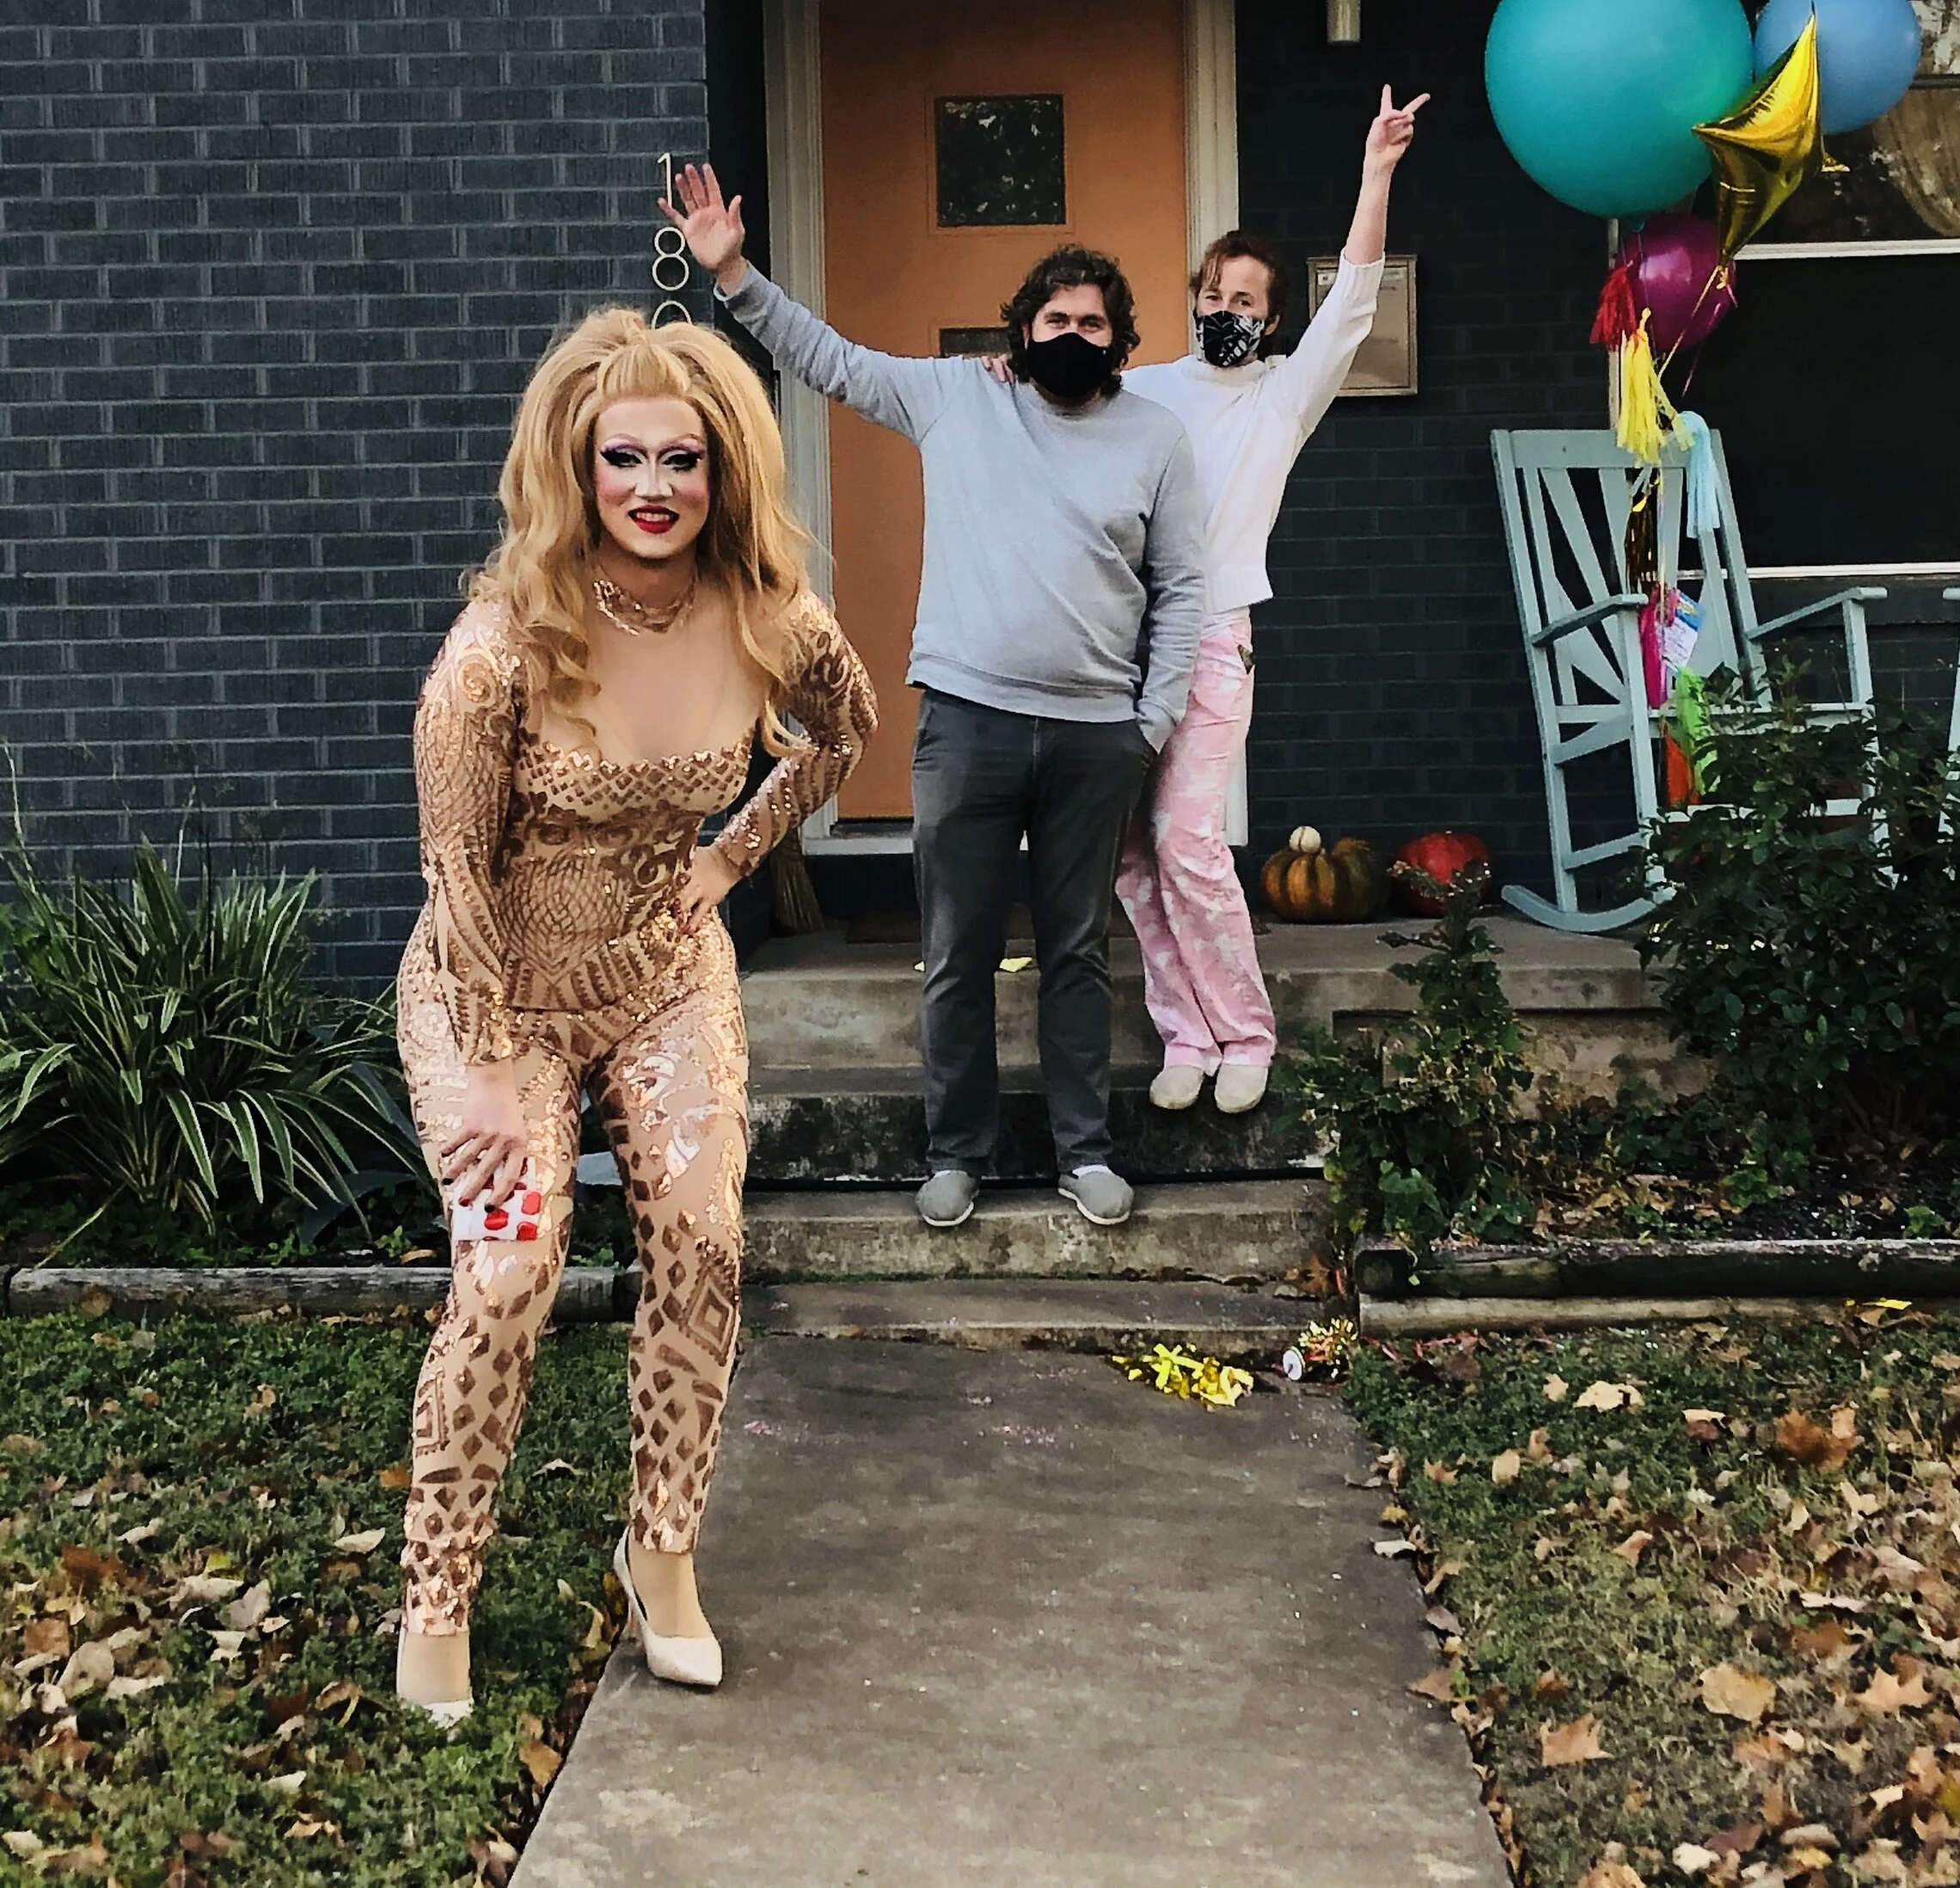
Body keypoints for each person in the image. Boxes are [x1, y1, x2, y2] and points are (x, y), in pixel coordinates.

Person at [394, 306, 876, 1724]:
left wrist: (731, 858)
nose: (655, 486)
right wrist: (485, 1076)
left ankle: (662, 1552)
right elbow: (453, 875)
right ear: (577, 468)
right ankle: (436, 1598)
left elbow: (843, 735)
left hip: (665, 977)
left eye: (684, 459)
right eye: (625, 460)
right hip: (492, 1003)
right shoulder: (497, 653)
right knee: (507, 1268)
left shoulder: (772, 616)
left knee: (708, 1239)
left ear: (721, 472)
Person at [665, 164, 1204, 1234]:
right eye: (1056, 316)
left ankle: (1083, 1152)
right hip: (968, 721)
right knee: (954, 948)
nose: (1074, 333)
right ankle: (954, 1153)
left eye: (1094, 322)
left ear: (1118, 337)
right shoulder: (960, 395)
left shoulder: (1156, 439)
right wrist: (733, 276)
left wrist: (1150, 723)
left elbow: (1183, 586)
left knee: (1077, 953)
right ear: (1021, 329)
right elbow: (830, 360)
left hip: (1100, 735)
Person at [1114, 85, 1427, 1118]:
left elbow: (1359, 295)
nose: (1225, 313)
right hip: (1119, 647)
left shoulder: (1283, 393)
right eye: (1213, 295)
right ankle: (1184, 1034)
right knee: (1127, 855)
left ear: (1272, 317)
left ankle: (1245, 1031)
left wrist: (1376, 171)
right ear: (1192, 299)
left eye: (1246, 301)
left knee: (1188, 842)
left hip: (1211, 639)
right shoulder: (1142, 391)